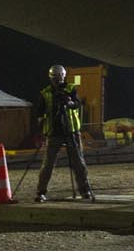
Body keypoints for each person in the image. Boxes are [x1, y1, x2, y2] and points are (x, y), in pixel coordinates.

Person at [33, 63, 94, 202]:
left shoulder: (71, 89)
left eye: (60, 76)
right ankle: (41, 192)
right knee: (48, 164)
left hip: (71, 130)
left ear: (64, 76)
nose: (58, 80)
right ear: (51, 78)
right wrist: (41, 129)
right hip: (54, 132)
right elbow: (39, 114)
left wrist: (70, 102)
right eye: (55, 77)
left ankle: (85, 190)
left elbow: (78, 104)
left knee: (79, 163)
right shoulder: (45, 93)